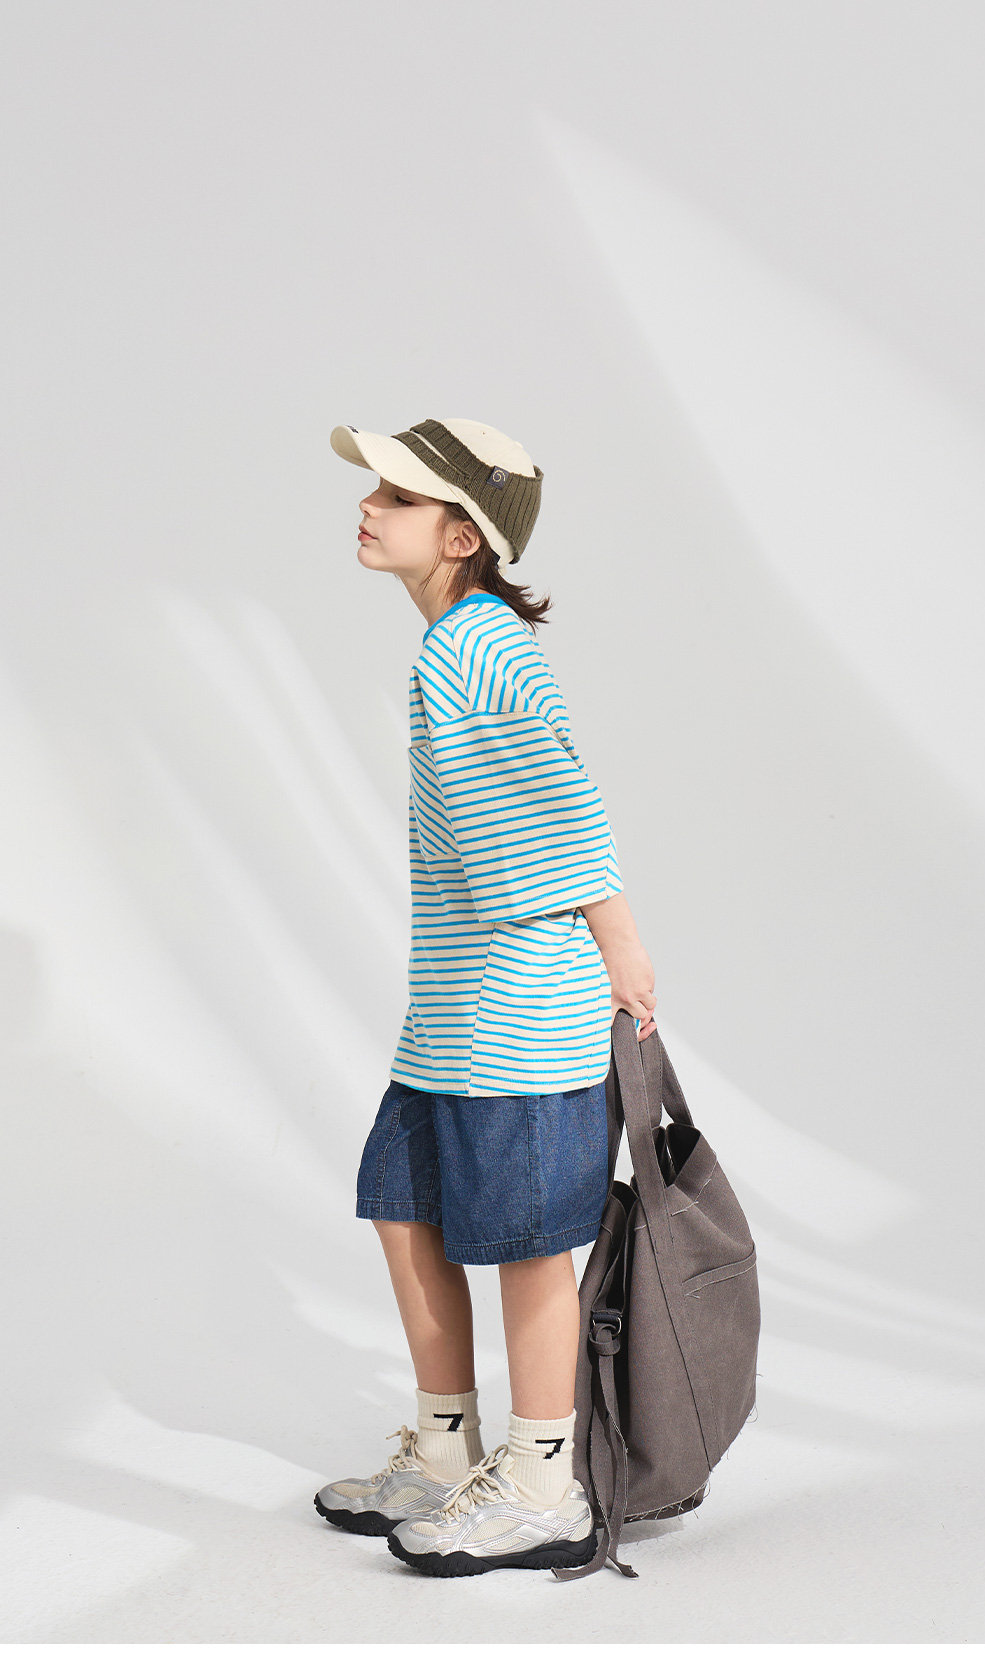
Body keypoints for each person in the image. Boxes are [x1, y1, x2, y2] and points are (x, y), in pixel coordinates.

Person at [314, 418, 657, 1577]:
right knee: (403, 1204)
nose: (370, 507)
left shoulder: (475, 646)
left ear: (462, 535)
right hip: (455, 1011)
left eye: (399, 496)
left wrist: (620, 944)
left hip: (519, 1011)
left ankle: (545, 1485)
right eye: (375, 489)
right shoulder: (456, 644)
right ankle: (444, 1448)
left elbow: (561, 805)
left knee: (526, 1243)